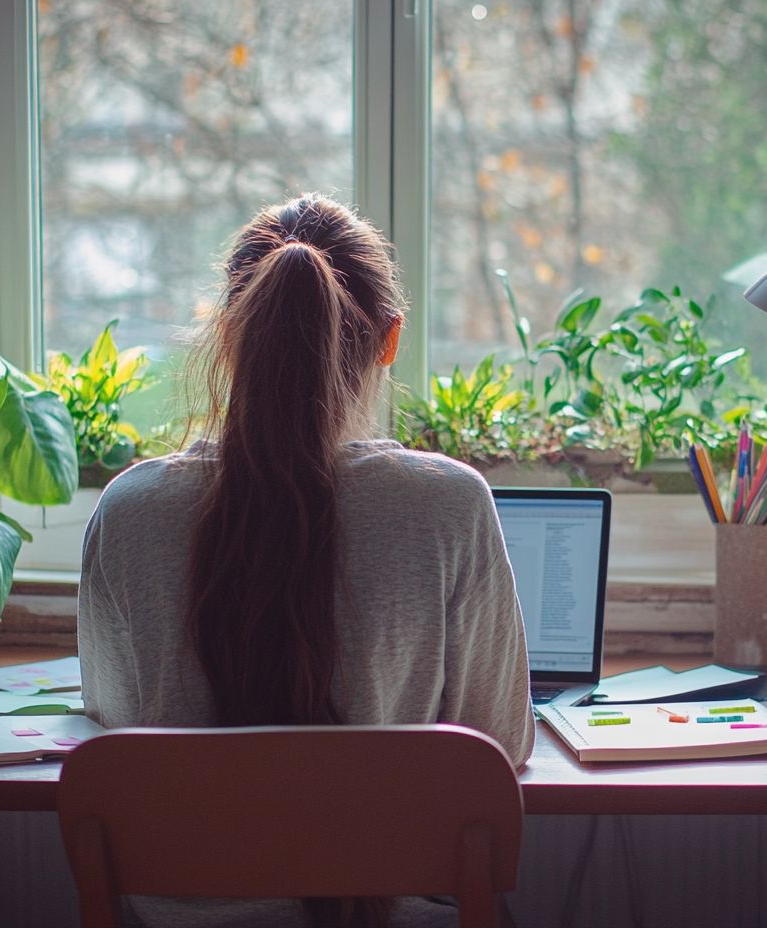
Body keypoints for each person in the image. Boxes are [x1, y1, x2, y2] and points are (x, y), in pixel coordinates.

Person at [78, 194, 534, 928]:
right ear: (391, 339)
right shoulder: (448, 506)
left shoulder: (131, 510)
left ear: (230, 337)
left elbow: (115, 728)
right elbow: (499, 749)